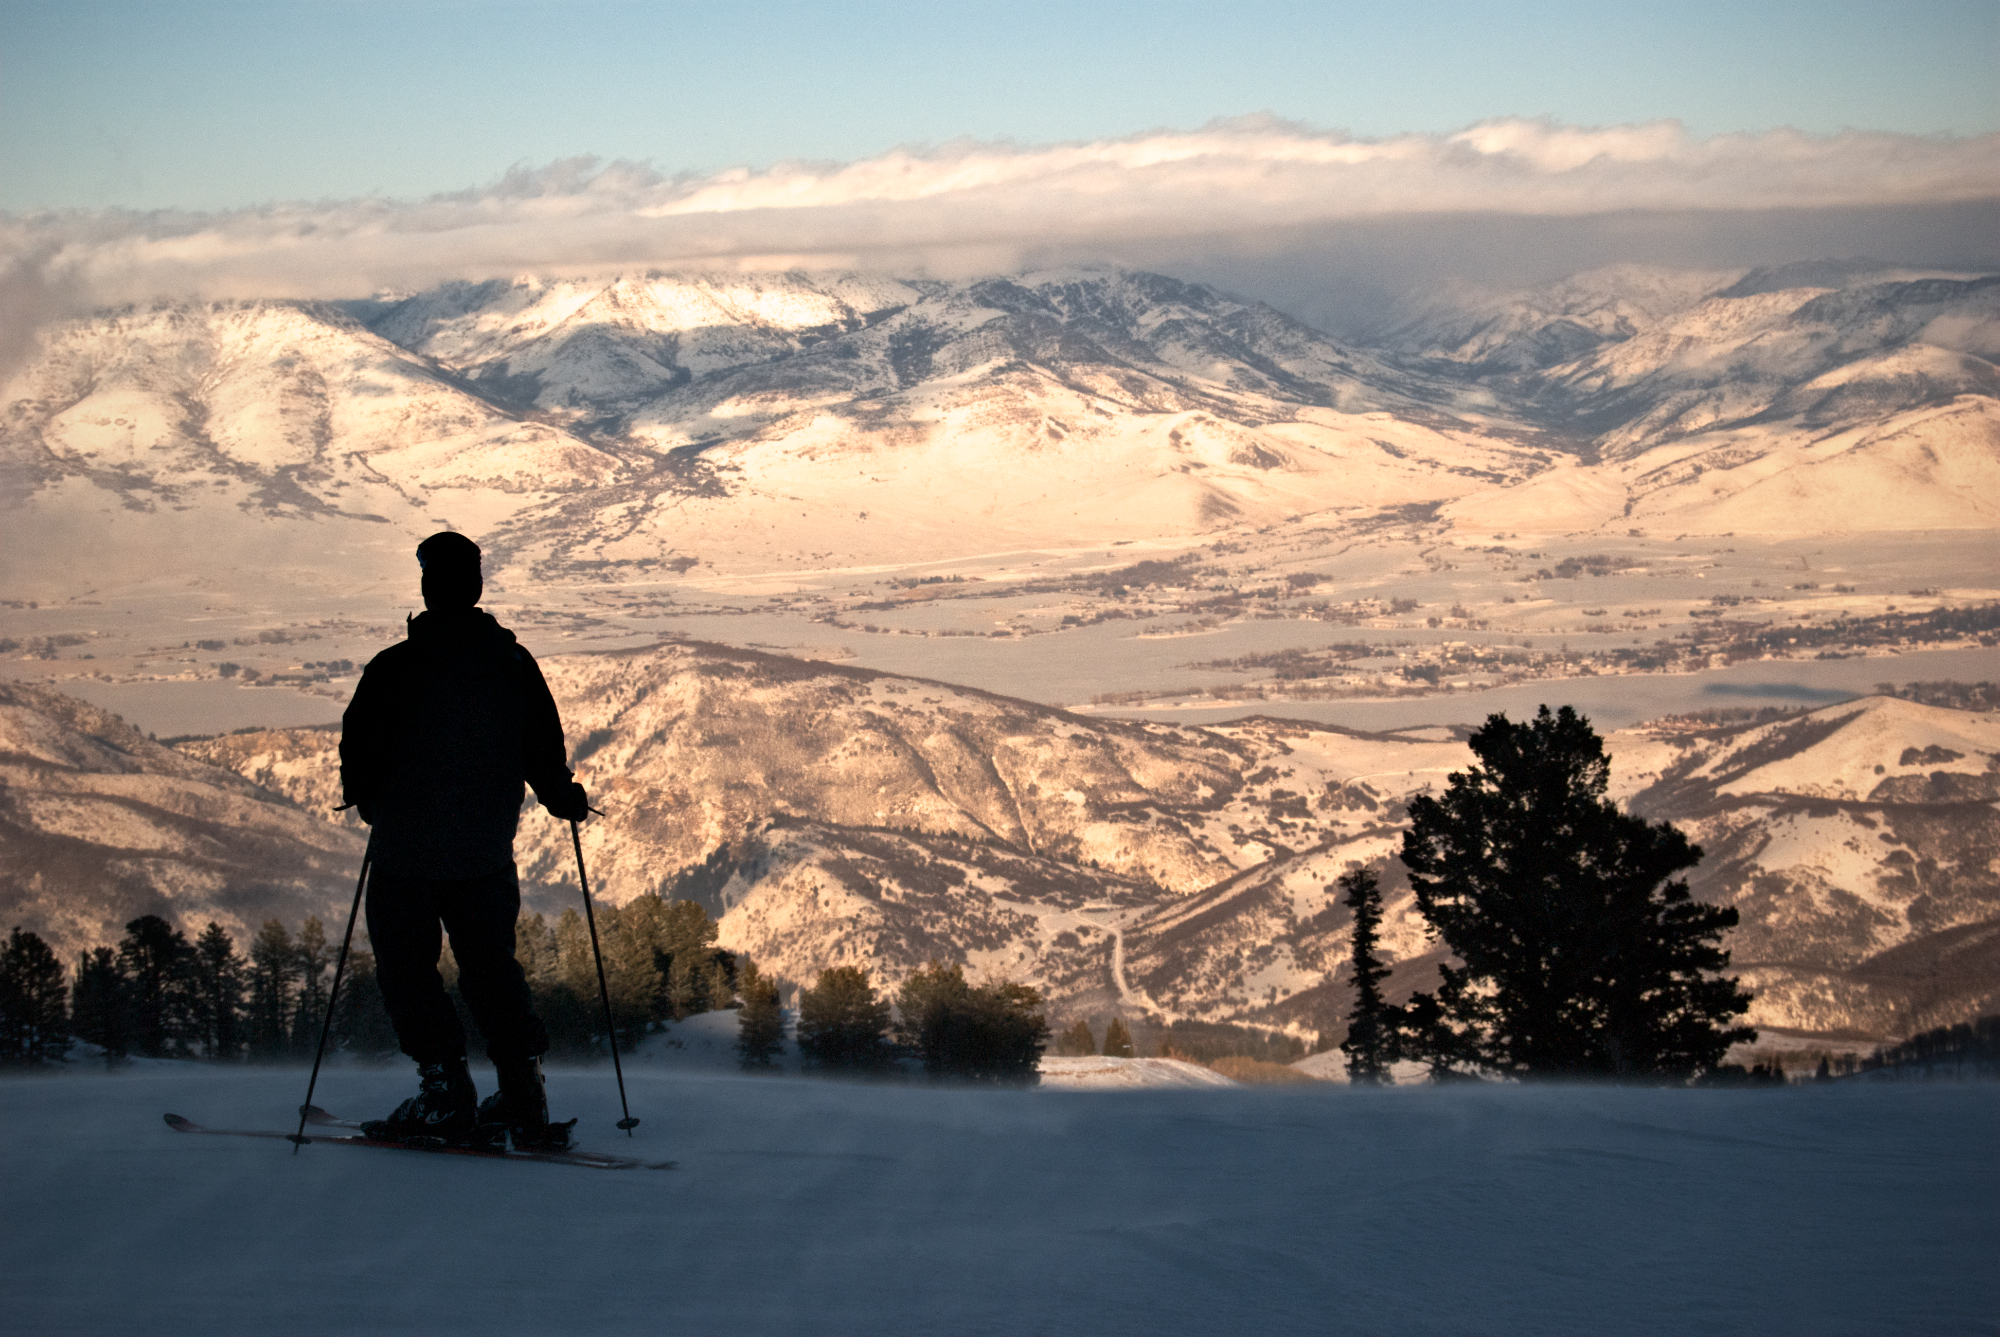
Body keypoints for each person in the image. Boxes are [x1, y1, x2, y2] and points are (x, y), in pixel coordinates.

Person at [339, 531, 590, 1150]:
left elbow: (359, 755)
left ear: (427, 587)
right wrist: (563, 797)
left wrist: (374, 801)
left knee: (408, 971)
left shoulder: (395, 668)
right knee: (491, 969)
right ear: (477, 586)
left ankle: (446, 1096)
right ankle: (524, 1097)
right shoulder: (512, 665)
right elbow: (544, 750)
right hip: (484, 851)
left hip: (406, 853)